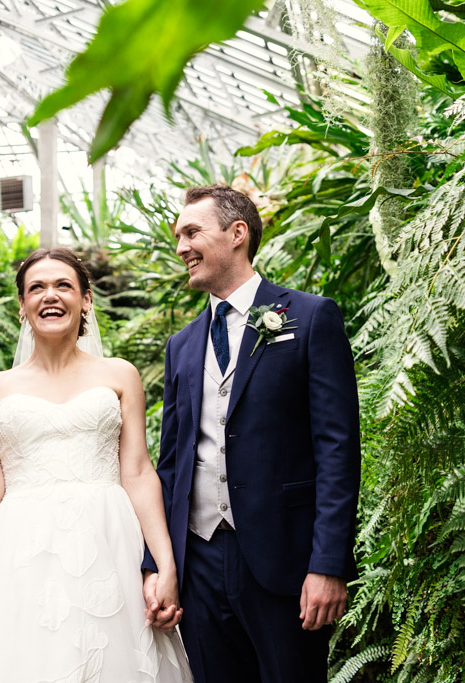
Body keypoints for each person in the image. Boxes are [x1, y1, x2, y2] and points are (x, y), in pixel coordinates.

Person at [0, 247, 192, 683]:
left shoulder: (120, 374)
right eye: (37, 287)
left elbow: (139, 473)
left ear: (85, 300)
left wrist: (165, 566)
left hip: (109, 544)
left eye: (63, 285)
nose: (50, 295)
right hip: (21, 552)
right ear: (22, 306)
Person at [142, 185, 361, 683]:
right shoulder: (182, 345)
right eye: (178, 236)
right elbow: (171, 465)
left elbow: (338, 451)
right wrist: (156, 563)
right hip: (198, 560)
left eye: (192, 232)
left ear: (237, 233)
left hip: (284, 561)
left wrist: (328, 564)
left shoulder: (309, 318)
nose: (181, 247)